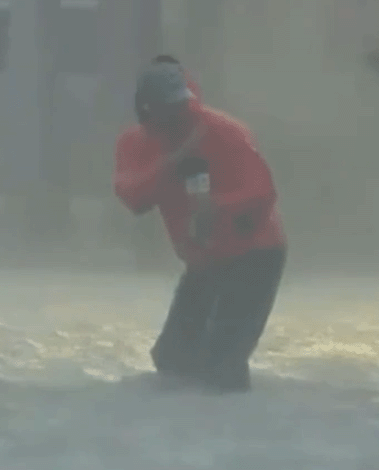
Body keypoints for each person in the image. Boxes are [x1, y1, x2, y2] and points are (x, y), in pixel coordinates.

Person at [114, 58, 286, 393]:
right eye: (169, 110)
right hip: (205, 259)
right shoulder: (134, 144)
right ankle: (184, 438)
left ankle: (241, 434)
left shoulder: (225, 131)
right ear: (148, 109)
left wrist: (218, 208)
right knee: (172, 358)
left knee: (223, 361)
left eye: (183, 106)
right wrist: (174, 160)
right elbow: (133, 197)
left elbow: (263, 191)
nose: (180, 116)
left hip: (256, 252)